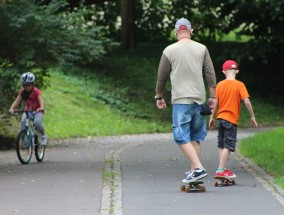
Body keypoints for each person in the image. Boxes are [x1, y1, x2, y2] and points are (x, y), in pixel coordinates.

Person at [155, 17, 217, 183]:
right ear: (191, 31)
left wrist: (159, 96)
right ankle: (194, 175)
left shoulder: (169, 50)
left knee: (181, 136)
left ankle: (197, 168)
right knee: (195, 137)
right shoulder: (202, 48)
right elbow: (210, 74)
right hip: (199, 100)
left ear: (176, 32)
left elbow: (161, 77)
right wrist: (213, 96)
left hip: (181, 100)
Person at [209, 60, 258, 178]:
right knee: (228, 146)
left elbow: (215, 102)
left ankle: (223, 169)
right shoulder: (240, 85)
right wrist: (252, 116)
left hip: (220, 119)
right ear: (237, 71)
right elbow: (246, 101)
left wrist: (211, 117)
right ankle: (220, 170)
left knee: (221, 145)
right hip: (231, 120)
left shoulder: (220, 85)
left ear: (223, 71)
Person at [9, 72, 48, 145]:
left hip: (38, 111)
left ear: (33, 84)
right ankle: (23, 139)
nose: (27, 87)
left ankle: (43, 135)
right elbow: (17, 101)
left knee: (37, 122)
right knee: (23, 121)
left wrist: (41, 108)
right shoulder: (22, 92)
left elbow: (41, 101)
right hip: (28, 111)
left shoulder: (36, 92)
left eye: (29, 85)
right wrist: (12, 108)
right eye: (25, 85)